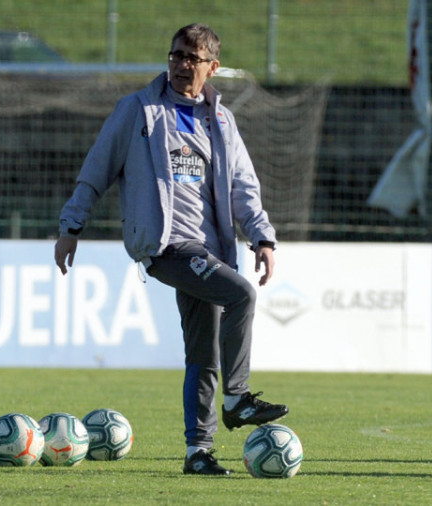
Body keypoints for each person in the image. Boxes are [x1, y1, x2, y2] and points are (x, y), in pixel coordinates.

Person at [54, 23, 288, 476]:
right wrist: (71, 225)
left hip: (211, 249)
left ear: (212, 67)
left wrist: (261, 237)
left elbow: (243, 186)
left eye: (193, 58)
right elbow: (97, 167)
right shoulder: (139, 110)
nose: (183, 65)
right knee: (241, 294)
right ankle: (237, 398)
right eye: (177, 55)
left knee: (202, 356)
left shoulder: (220, 119)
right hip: (168, 247)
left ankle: (197, 452)